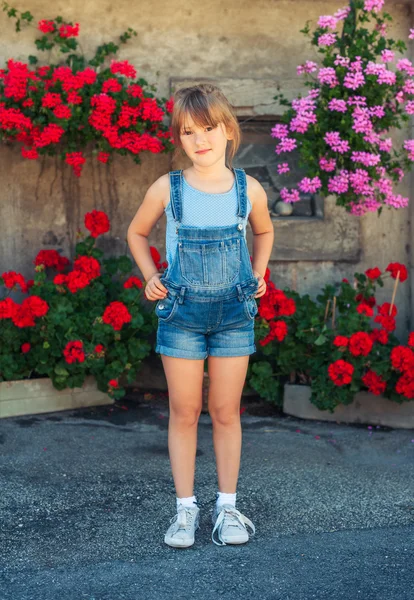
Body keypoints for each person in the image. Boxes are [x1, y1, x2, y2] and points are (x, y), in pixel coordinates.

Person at [127, 83, 274, 548]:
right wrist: (151, 274)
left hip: (234, 313)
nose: (200, 140)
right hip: (181, 315)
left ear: (228, 130)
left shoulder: (247, 188)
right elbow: (136, 232)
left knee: (226, 411)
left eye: (208, 128)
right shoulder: (167, 188)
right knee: (185, 410)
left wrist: (258, 272)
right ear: (179, 139)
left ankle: (227, 508)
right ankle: (185, 511)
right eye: (188, 132)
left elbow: (264, 231)